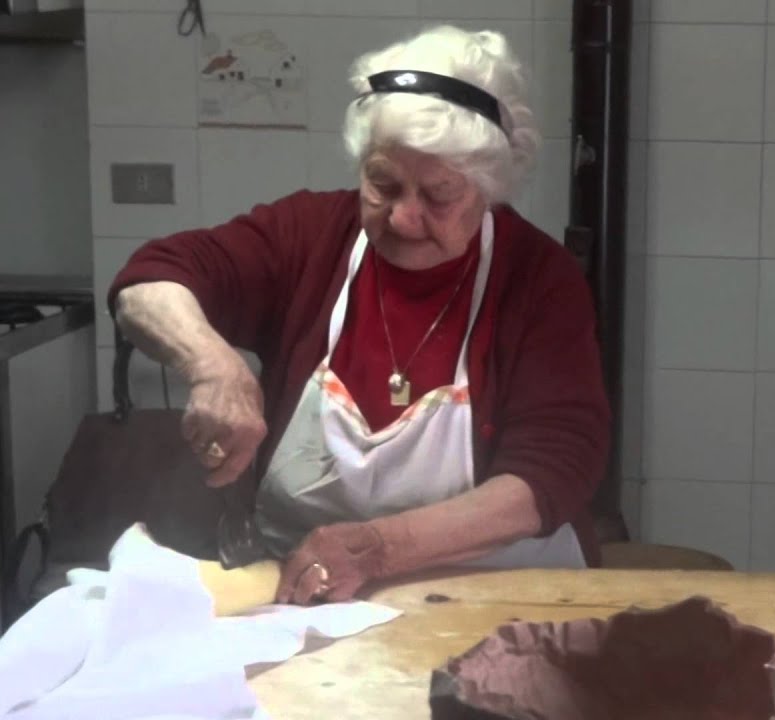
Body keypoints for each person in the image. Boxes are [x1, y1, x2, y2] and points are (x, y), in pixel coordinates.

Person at [108, 25, 610, 606]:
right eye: (383, 184)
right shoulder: (311, 236)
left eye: (439, 195)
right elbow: (149, 278)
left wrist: (377, 548)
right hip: (313, 596)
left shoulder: (539, 279)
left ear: (488, 190)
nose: (402, 217)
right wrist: (212, 365)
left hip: (495, 592)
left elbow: (553, 473)